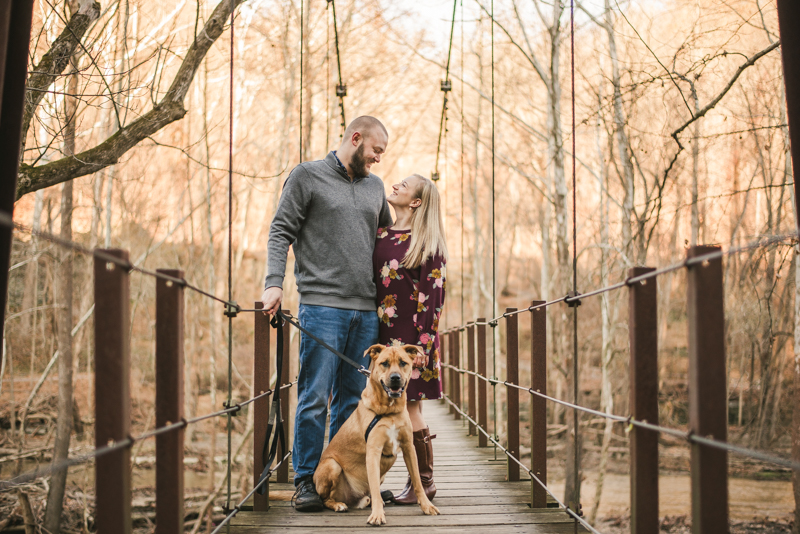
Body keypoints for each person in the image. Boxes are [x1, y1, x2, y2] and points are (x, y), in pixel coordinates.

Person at [261, 116, 393, 512]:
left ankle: (347, 482)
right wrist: (273, 283)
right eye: (375, 151)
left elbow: (388, 242)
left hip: (366, 312)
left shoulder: (375, 187)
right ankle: (305, 480)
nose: (378, 160)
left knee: (353, 399)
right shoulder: (306, 176)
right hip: (321, 307)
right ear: (356, 139)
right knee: (314, 395)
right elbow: (280, 230)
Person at [372, 173, 447, 504]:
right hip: (380, 337)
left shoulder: (427, 243)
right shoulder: (380, 234)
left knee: (410, 408)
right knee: (383, 408)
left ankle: (424, 483)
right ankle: (376, 479)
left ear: (416, 202)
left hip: (412, 341)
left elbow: (433, 297)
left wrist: (424, 346)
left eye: (405, 185)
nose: (396, 185)